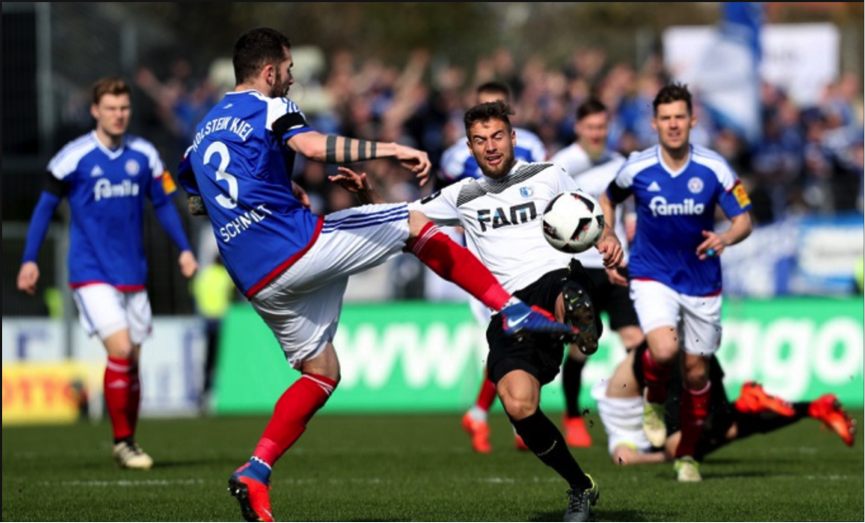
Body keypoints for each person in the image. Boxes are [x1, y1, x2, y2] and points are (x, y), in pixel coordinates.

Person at [177, 27, 578, 523]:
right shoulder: (271, 106)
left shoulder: (202, 129)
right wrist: (391, 149)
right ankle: (512, 308)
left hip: (254, 277)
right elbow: (314, 146)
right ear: (268, 72)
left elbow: (197, 196)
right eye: (288, 68)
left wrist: (277, 196)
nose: (292, 77)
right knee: (415, 223)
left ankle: (257, 471)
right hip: (294, 246)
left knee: (322, 373)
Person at [333, 100, 625, 523]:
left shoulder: (547, 174)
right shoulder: (461, 195)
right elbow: (403, 219)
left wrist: (608, 238)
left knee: (567, 289)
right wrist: (366, 194)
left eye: (497, 137)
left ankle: (579, 321)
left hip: (555, 277)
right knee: (519, 406)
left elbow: (589, 216)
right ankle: (580, 486)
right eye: (480, 140)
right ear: (469, 147)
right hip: (507, 307)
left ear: (512, 138)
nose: (490, 146)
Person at [16, 77, 198, 469]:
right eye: (111, 108)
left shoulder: (144, 155)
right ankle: (123, 442)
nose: (118, 115)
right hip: (91, 271)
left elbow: (165, 204)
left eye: (124, 108)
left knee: (131, 359)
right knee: (119, 350)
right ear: (95, 111)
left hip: (133, 272)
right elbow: (45, 207)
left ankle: (127, 441)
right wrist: (30, 259)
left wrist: (184, 249)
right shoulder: (73, 157)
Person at [599, 83, 754, 482]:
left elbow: (744, 221)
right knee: (664, 350)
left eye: (679, 117)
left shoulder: (715, 167)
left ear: (692, 120)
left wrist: (725, 237)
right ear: (654, 123)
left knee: (697, 373)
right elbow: (607, 198)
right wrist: (609, 235)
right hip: (652, 274)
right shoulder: (636, 166)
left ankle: (687, 455)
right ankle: (653, 400)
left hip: (701, 280)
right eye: (665, 118)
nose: (673, 125)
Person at [438, 81, 547, 454]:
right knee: (513, 338)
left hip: (530, 262)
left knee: (527, 337)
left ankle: (483, 413)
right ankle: (513, 419)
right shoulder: (455, 157)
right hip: (483, 267)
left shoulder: (531, 146)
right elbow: (450, 204)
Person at [550, 98, 645, 448]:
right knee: (581, 347)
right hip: (580, 269)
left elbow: (630, 208)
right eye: (590, 127)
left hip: (618, 265)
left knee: (637, 343)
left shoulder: (620, 165)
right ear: (578, 128)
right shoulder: (561, 166)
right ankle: (574, 415)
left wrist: (633, 227)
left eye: (602, 127)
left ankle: (632, 410)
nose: (596, 133)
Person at [593, 345, 856, 465]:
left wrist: (658, 458)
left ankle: (745, 405)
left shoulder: (624, 432)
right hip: (693, 350)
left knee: (683, 448)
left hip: (661, 370)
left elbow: (622, 458)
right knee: (724, 429)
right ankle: (812, 408)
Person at [190, 254, 236, 412]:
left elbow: (195, 290)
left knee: (208, 359)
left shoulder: (204, 274)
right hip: (223, 320)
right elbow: (234, 292)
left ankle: (205, 393)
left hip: (206, 318)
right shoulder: (225, 275)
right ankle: (217, 393)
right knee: (221, 359)